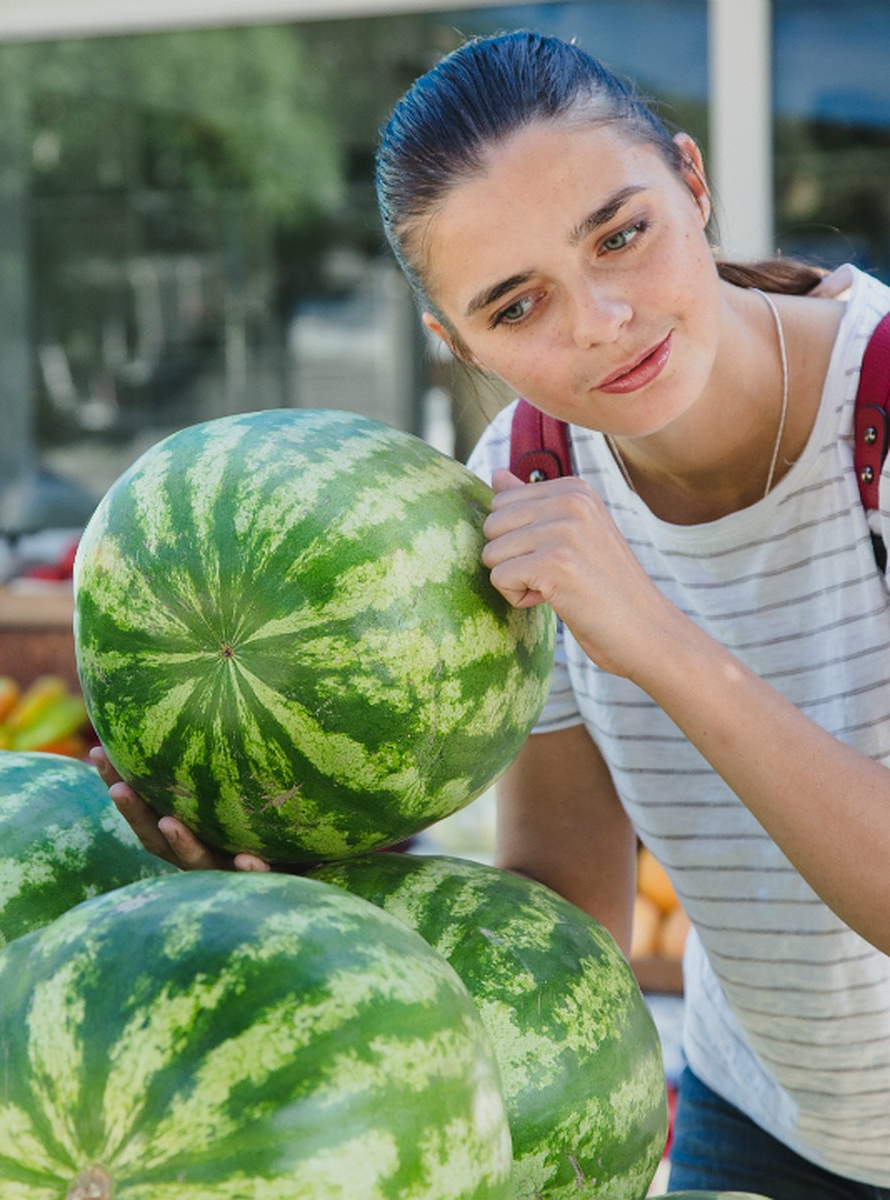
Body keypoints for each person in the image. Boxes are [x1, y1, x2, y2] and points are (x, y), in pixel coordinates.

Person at [93, 30, 890, 1197]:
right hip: (763, 1128)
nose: (601, 321)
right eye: (518, 307)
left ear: (694, 182)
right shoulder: (521, 480)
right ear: (454, 342)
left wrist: (657, 642)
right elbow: (569, 911)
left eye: (622, 235)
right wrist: (307, 888)